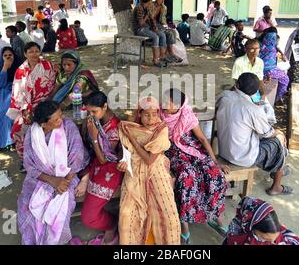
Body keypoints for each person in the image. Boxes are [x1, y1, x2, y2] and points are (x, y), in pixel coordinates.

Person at [161, 89, 228, 245]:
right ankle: (184, 227)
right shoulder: (158, 115)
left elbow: (203, 140)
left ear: (178, 105)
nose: (164, 104)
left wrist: (215, 162)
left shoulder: (187, 116)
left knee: (214, 175)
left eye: (168, 102)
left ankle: (215, 217)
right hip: (174, 153)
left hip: (193, 150)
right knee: (186, 177)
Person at [17, 101, 85, 245]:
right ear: (43, 124)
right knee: (27, 205)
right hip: (40, 177)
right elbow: (29, 164)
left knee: (58, 210)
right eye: (56, 119)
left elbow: (77, 157)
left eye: (61, 115)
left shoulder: (68, 127)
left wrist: (63, 182)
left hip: (67, 176)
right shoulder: (33, 134)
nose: (61, 120)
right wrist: (52, 181)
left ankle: (51, 242)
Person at [117, 96, 181, 245]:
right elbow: (126, 151)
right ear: (139, 113)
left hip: (156, 169)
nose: (151, 118)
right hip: (135, 170)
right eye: (146, 114)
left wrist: (132, 139)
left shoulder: (161, 129)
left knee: (169, 216)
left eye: (154, 114)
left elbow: (149, 160)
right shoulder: (131, 128)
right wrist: (124, 161)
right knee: (127, 214)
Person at [216, 73, 292, 196]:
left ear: (237, 85)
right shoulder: (253, 109)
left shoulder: (225, 96)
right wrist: (279, 133)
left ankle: (279, 168)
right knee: (279, 141)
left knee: (268, 139)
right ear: (256, 90)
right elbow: (267, 133)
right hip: (242, 157)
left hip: (224, 150)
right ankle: (276, 186)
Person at [74, 91, 123, 245]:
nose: (91, 115)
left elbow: (104, 159)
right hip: (95, 164)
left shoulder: (114, 128)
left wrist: (94, 137)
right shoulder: (97, 121)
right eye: (89, 112)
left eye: (94, 111)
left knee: (88, 218)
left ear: (105, 106)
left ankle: (112, 225)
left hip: (110, 170)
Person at [7, 42, 56, 167]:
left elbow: (51, 85)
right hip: (26, 106)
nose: (34, 54)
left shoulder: (46, 65)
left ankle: (44, 158)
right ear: (25, 54)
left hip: (44, 103)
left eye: (36, 51)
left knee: (45, 127)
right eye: (31, 51)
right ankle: (25, 159)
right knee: (18, 129)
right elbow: (17, 92)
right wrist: (25, 110)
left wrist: (46, 104)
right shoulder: (20, 70)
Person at [224, 196, 299, 245]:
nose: (272, 242)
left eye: (274, 240)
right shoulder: (235, 235)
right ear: (250, 227)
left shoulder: (277, 231)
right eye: (264, 238)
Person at [0, 46, 21, 154]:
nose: (8, 57)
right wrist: (5, 68)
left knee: (6, 113)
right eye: (5, 56)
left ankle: (9, 141)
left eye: (10, 55)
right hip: (0, 93)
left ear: (14, 56)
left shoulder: (20, 66)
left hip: (15, 92)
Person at [133, 0, 168, 67]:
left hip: (147, 28)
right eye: (151, 0)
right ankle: (155, 60)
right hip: (139, 29)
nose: (152, 1)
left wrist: (154, 26)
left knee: (161, 34)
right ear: (148, 0)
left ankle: (162, 57)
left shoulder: (147, 7)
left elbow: (152, 19)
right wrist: (147, 15)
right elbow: (141, 23)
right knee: (156, 37)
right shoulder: (139, 8)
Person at [150, 0, 182, 64]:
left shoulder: (164, 7)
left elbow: (163, 20)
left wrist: (167, 26)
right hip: (151, 25)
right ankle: (164, 55)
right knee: (164, 34)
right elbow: (150, 18)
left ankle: (170, 53)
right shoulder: (151, 5)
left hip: (159, 25)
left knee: (172, 32)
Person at [259, 27, 289, 102]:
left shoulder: (261, 44)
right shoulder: (271, 48)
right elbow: (275, 47)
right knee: (285, 79)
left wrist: (281, 53)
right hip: (268, 71)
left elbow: (276, 47)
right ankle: (278, 97)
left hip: (261, 68)